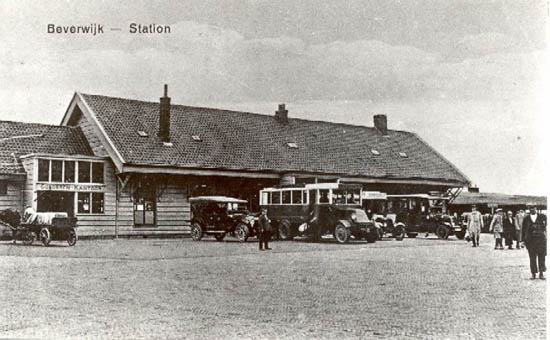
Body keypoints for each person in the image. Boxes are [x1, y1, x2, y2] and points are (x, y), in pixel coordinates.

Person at [522, 205, 546, 280]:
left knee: (541, 256)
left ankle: (541, 273)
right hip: (530, 241)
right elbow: (523, 230)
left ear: (536, 209)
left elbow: (546, 227)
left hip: (541, 240)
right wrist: (523, 240)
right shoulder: (526, 218)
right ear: (529, 209)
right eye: (531, 208)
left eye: (534, 208)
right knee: (532, 257)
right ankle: (533, 273)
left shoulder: (542, 216)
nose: (533, 209)